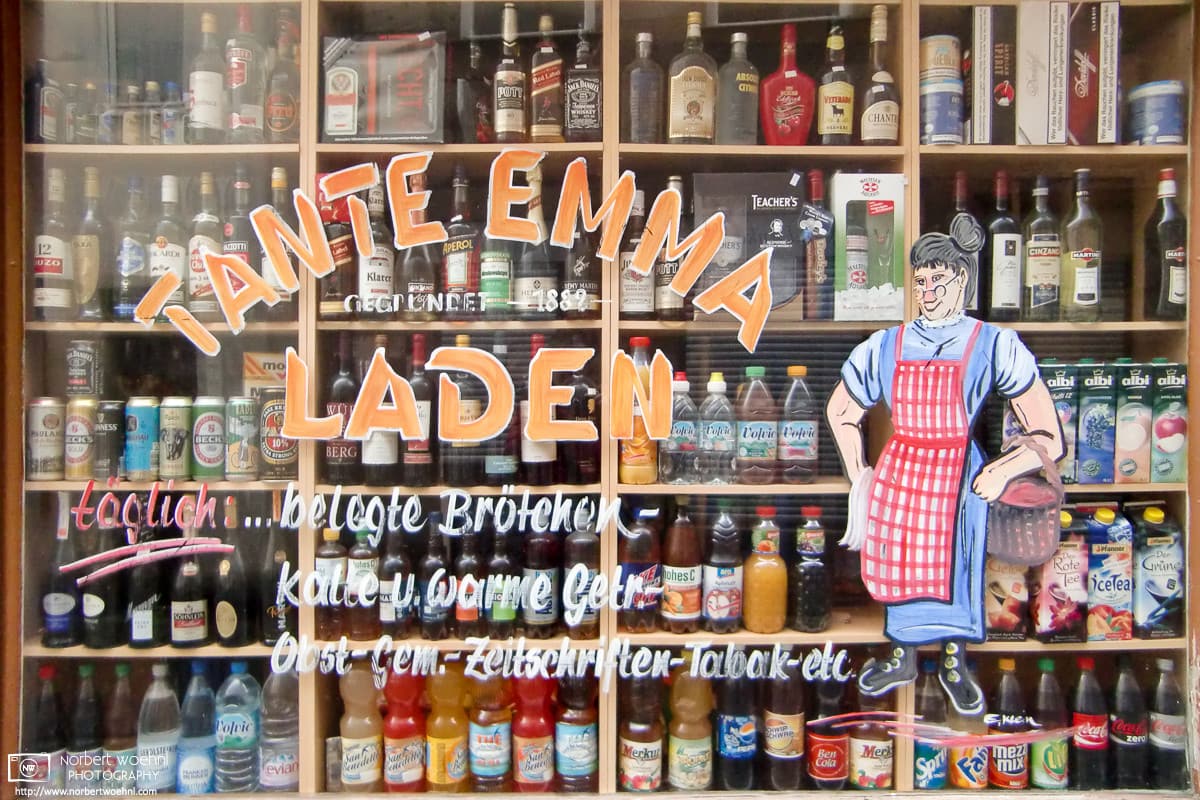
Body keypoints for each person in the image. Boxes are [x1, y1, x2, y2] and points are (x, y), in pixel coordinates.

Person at [826, 216, 1063, 714]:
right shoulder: (885, 345)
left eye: (940, 280)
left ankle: (955, 662)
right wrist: (860, 474)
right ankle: (902, 655)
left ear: (964, 280)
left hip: (958, 475)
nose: (928, 291)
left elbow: (1048, 434)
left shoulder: (993, 344)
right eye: (921, 281)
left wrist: (1003, 469)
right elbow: (842, 410)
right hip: (901, 471)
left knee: (957, 567)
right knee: (898, 566)